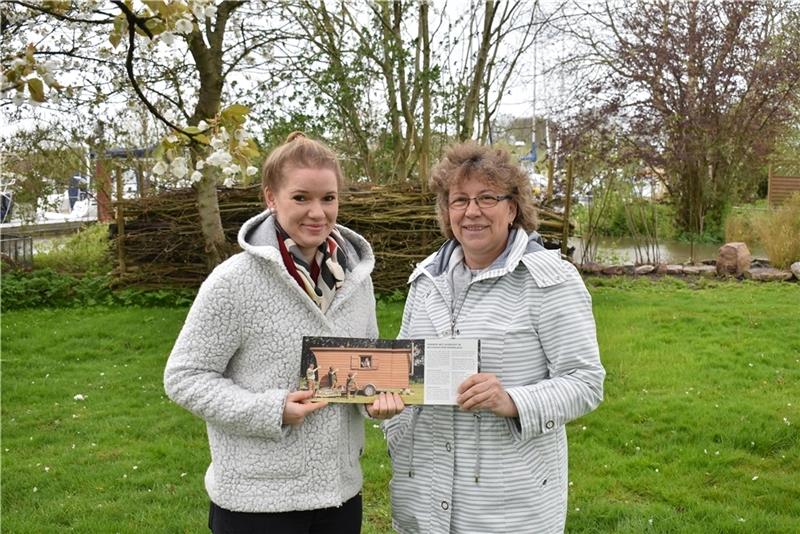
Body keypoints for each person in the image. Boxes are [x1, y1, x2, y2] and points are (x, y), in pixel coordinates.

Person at [164, 132, 403, 534]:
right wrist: (271, 410)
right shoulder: (233, 281)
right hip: (258, 503)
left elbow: (364, 369)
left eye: (328, 198)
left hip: (339, 496)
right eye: (301, 197)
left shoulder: (357, 280)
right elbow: (184, 378)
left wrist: (375, 399)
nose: (317, 212)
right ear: (271, 198)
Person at [383, 142, 605, 533]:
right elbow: (404, 371)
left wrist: (512, 400)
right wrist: (389, 410)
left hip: (506, 506)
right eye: (459, 200)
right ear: (446, 210)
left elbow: (586, 382)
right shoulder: (425, 281)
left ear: (512, 207)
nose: (472, 211)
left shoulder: (549, 281)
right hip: (423, 500)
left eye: (487, 197)